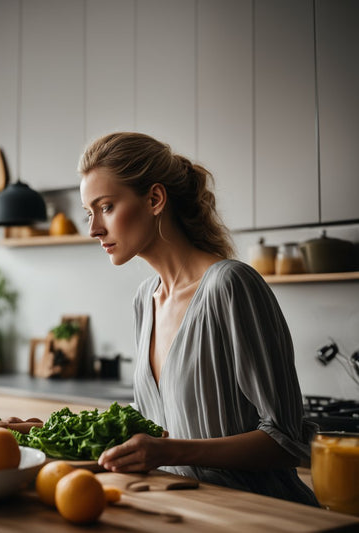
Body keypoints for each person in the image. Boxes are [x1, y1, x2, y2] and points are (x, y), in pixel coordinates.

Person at [78, 131, 319, 506]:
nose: (94, 228)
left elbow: (286, 443)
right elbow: (152, 434)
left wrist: (171, 452)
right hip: (187, 511)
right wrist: (46, 433)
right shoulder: (146, 299)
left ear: (155, 199)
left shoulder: (231, 285)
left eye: (106, 207)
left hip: (261, 515)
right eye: (88, 213)